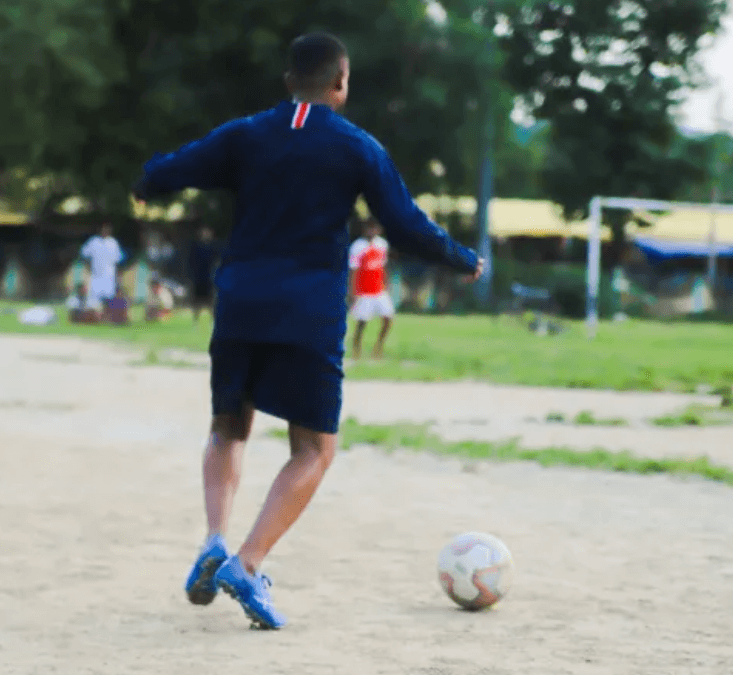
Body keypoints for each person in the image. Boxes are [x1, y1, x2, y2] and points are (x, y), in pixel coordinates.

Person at [134, 32, 482, 629]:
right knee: (315, 449)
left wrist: (150, 181)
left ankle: (215, 539)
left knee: (228, 426)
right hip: (308, 313)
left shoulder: (244, 135)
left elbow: (163, 173)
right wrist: (461, 258)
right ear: (340, 83)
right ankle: (247, 562)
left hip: (239, 303)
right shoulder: (357, 147)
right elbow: (402, 222)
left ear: (287, 79)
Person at [348, 220, 394, 359]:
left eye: (375, 229)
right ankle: (356, 348)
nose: (372, 232)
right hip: (364, 291)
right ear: (364, 230)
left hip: (379, 290)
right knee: (362, 322)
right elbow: (353, 270)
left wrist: (387, 284)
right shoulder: (357, 246)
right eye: (369, 229)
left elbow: (384, 267)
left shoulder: (382, 245)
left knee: (388, 318)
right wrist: (353, 291)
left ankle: (378, 347)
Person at [80, 223, 124, 309]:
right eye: (103, 229)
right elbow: (84, 254)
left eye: (107, 230)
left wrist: (118, 275)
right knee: (95, 299)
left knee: (109, 298)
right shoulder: (93, 242)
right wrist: (88, 268)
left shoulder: (113, 243)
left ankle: (107, 316)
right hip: (96, 275)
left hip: (109, 275)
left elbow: (117, 260)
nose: (105, 231)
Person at [188, 227, 221, 324]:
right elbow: (191, 262)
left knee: (211, 301)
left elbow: (217, 261)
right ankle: (195, 321)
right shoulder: (196, 247)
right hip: (198, 278)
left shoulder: (214, 247)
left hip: (209, 278)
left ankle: (213, 320)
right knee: (197, 301)